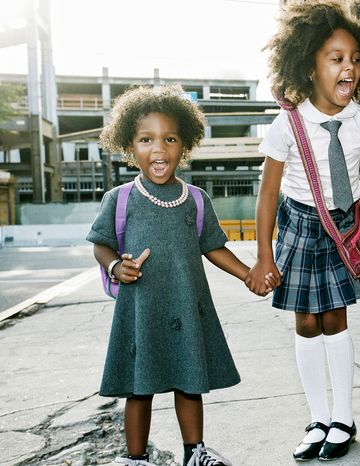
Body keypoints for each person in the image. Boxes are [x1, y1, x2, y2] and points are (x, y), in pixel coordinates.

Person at [245, 1, 360, 461]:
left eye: (354, 58)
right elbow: (267, 195)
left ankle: (344, 419)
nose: (347, 66)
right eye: (336, 58)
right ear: (309, 66)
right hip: (297, 225)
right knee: (306, 322)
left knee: (335, 318)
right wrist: (264, 255)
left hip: (342, 228)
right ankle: (317, 418)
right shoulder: (286, 125)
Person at [89, 85, 269, 466]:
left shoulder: (196, 200)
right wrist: (116, 267)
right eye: (146, 139)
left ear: (184, 144)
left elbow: (213, 247)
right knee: (139, 389)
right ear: (129, 146)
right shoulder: (119, 199)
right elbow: (101, 245)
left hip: (187, 307)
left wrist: (247, 274)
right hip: (141, 310)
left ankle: (195, 452)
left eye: (169, 139)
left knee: (189, 382)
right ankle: (135, 458)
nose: (159, 149)